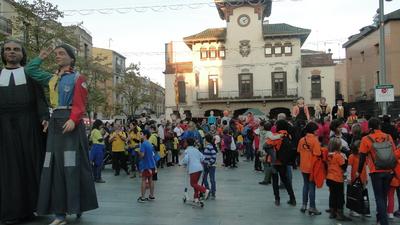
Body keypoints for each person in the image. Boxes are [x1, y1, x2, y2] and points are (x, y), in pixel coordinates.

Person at [25, 44, 98, 225]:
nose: (57, 56)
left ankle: (76, 205)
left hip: (70, 122)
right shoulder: (51, 78)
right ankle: (60, 213)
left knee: (71, 164)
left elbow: (80, 104)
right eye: (56, 54)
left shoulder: (77, 78)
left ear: (71, 58)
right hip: (56, 121)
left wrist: (73, 119)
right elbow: (29, 70)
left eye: (61, 53)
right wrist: (41, 56)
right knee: (53, 165)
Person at [0, 40, 49, 224]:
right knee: (8, 168)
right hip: (3, 127)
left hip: (28, 125)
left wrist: (44, 117)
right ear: (3, 54)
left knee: (29, 164)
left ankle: (31, 207)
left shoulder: (30, 74)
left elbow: (40, 99)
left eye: (16, 49)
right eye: (7, 49)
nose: (11, 52)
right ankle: (10, 210)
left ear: (22, 54)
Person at [357, 117, 397, 225]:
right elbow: (393, 153)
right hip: (388, 170)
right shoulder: (388, 137)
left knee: (378, 196)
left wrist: (358, 171)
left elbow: (361, 157)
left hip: (376, 170)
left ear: (369, 127)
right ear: (379, 126)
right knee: (384, 196)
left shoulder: (366, 139)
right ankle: (380, 218)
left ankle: (383, 221)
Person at [297, 122, 322, 215]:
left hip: (303, 166)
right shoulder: (315, 140)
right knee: (312, 186)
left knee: (305, 185)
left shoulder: (302, 140)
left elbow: (299, 151)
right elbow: (318, 154)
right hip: (312, 166)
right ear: (313, 130)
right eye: (316, 130)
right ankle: (312, 207)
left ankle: (304, 205)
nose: (318, 131)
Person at [326, 137, 351, 221]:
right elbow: (344, 166)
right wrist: (346, 159)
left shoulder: (329, 155)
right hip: (337, 178)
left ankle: (332, 212)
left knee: (332, 195)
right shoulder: (339, 156)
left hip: (329, 178)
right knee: (340, 196)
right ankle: (340, 214)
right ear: (339, 146)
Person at [181, 138, 210, 203]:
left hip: (193, 169)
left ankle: (205, 190)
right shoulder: (196, 150)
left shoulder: (187, 151)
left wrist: (182, 163)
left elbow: (186, 160)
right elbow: (202, 157)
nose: (184, 143)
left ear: (187, 143)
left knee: (193, 184)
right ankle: (196, 198)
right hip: (199, 168)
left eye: (185, 142)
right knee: (195, 183)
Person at [347, 140, 369, 217]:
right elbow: (349, 168)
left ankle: (363, 209)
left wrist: (367, 178)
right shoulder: (351, 157)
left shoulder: (364, 157)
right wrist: (349, 178)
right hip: (354, 179)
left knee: (363, 194)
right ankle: (352, 210)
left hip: (363, 179)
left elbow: (366, 167)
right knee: (353, 195)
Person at [137, 130, 157, 203]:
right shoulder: (149, 143)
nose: (140, 135)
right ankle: (151, 196)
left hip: (146, 165)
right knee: (151, 180)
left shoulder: (143, 144)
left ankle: (142, 197)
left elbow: (142, 155)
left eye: (141, 134)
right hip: (152, 164)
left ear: (145, 135)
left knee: (143, 180)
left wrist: (138, 152)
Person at [202, 134, 217, 199]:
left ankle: (213, 192)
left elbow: (214, 156)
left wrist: (209, 163)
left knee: (211, 179)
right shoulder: (208, 146)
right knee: (204, 178)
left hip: (210, 165)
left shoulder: (209, 147)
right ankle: (208, 190)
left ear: (206, 140)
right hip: (206, 165)